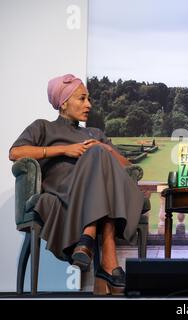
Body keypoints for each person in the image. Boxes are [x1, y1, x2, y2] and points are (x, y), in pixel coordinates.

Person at [9, 74, 145, 295]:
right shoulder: (43, 127)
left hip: (97, 191)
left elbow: (128, 167)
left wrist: (107, 149)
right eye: (82, 99)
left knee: (100, 152)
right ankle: (108, 261)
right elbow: (15, 152)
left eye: (88, 99)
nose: (88, 105)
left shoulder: (94, 133)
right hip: (63, 188)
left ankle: (88, 238)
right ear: (63, 103)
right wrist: (64, 150)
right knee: (98, 153)